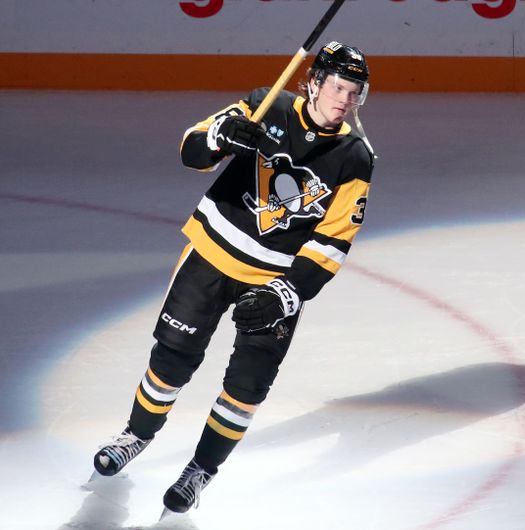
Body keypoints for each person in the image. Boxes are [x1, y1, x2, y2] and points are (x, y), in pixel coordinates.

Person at [91, 41, 375, 515]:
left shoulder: (355, 156)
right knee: (173, 360)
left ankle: (200, 469)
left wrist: (289, 291)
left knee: (247, 386)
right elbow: (191, 150)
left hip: (274, 282)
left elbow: (333, 240)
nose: (345, 100)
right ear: (315, 82)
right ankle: (136, 435)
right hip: (211, 255)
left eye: (355, 92)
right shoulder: (268, 104)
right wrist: (222, 136)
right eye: (339, 88)